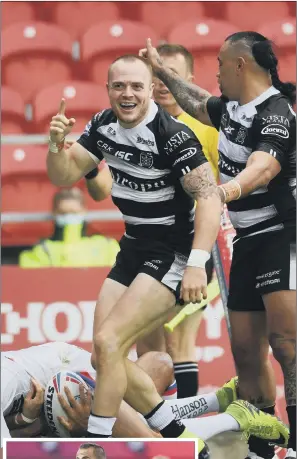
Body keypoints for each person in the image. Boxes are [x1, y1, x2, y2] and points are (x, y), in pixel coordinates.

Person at [46, 54, 289, 458]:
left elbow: (210, 200)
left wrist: (195, 263)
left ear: (149, 91)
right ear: (108, 89)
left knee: (112, 341)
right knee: (103, 353)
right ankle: (192, 431)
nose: (128, 94)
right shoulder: (102, 125)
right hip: (134, 246)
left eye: (136, 86)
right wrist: (56, 146)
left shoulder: (172, 135)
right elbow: (65, 175)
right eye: (119, 86)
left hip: (175, 251)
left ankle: (98, 447)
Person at [140, 31, 296, 459]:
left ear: (241, 65)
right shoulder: (229, 108)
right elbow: (193, 100)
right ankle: (266, 443)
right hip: (244, 241)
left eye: (221, 64)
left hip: (282, 235)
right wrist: (160, 71)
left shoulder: (277, 112)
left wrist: (223, 193)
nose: (216, 71)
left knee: (286, 343)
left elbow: (263, 168)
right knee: (246, 351)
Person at [137, 43, 220, 399]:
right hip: (150, 245)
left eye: (169, 73)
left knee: (179, 339)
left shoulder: (208, 129)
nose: (162, 81)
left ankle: (185, 435)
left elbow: (228, 186)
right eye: (156, 73)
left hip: (197, 247)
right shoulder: (137, 126)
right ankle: (162, 429)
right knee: (151, 344)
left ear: (188, 80)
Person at [1, 342, 176, 443]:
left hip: (66, 370)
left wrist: (92, 425)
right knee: (159, 364)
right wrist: (24, 419)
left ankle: (172, 441)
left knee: (149, 441)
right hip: (46, 412)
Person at [19, 188, 119, 268]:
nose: (69, 216)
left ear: (84, 212)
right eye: (63, 213)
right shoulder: (42, 250)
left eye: (74, 212)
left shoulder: (106, 246)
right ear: (54, 213)